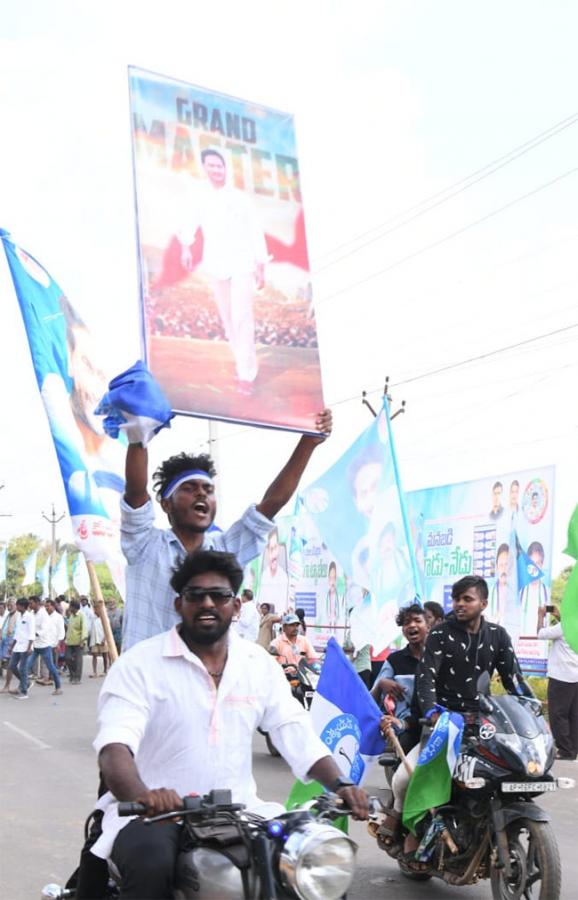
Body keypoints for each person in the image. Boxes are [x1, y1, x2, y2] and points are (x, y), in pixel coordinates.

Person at [88, 550, 368, 898]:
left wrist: (340, 783)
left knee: (312, 872)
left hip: (243, 811)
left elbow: (294, 729)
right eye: (195, 595)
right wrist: (144, 797)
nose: (207, 603)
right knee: (151, 866)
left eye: (218, 595)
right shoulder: (139, 664)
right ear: (179, 604)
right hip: (154, 816)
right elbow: (115, 748)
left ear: (236, 606)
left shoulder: (257, 664)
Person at [120, 410, 331, 651]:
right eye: (189, 488)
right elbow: (136, 493)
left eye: (208, 490)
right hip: (145, 683)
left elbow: (272, 503)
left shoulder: (224, 550)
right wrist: (138, 437)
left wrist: (308, 442)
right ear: (166, 504)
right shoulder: (145, 545)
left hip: (206, 683)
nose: (201, 494)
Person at [398, 576, 530, 866]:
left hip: (484, 723)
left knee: (507, 772)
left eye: (467, 599)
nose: (459, 604)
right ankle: (411, 829)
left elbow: (514, 681)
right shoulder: (440, 634)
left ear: (483, 603)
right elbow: (426, 677)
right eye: (456, 598)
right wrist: (432, 711)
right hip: (443, 722)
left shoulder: (498, 636)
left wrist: (532, 708)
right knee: (405, 779)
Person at [179, 148, 268, 393]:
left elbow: (255, 231)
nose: (216, 170)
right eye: (211, 166)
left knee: (242, 316)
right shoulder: (200, 197)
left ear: (226, 168)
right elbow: (189, 222)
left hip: (242, 263)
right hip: (216, 263)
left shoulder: (240, 199)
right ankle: (242, 361)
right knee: (228, 319)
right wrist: (186, 248)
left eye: (220, 166)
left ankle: (246, 374)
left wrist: (261, 265)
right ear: (205, 167)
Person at [371, 603, 429, 849]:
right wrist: (383, 683)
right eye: (407, 623)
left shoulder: (439, 656)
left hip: (437, 725)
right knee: (408, 777)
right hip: (406, 727)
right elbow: (371, 695)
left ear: (430, 625)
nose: (412, 626)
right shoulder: (395, 660)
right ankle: (400, 817)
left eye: (418, 621)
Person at [537, 604, 578, 760]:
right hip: (575, 676)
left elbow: (540, 634)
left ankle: (565, 751)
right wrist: (560, 618)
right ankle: (573, 749)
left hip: (561, 676)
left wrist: (541, 615)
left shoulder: (564, 627)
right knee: (573, 714)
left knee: (558, 714)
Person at [26, 596, 63, 696]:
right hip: (35, 645)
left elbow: (44, 629)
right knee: (27, 666)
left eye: (31, 603)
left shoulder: (44, 614)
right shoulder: (31, 614)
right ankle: (24, 686)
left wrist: (34, 634)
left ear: (37, 603)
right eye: (29, 603)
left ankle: (58, 687)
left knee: (51, 667)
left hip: (44, 645)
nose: (30, 605)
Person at [6, 598, 35, 699]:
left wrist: (30, 647)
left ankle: (24, 692)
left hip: (26, 647)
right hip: (17, 646)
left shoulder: (30, 617)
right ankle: (26, 682)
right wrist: (12, 646)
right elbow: (17, 633)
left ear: (23, 606)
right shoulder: (19, 616)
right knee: (12, 666)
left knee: (22, 668)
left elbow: (32, 633)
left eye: (18, 605)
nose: (16, 607)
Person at [257, 526, 289, 609]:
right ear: (267, 550)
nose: (273, 555)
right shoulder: (263, 576)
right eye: (271, 549)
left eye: (275, 548)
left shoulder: (284, 577)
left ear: (278, 548)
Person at [519, 541, 548, 635]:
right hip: (522, 645)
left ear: (542, 565)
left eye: (538, 563)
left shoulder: (548, 593)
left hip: (541, 646)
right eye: (532, 563)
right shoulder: (519, 593)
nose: (535, 568)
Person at [65, 600, 88, 684]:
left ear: (74, 607)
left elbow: (84, 629)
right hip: (69, 641)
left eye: (70, 606)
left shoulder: (82, 615)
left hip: (79, 642)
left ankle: (77, 678)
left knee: (78, 661)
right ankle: (72, 674)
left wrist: (82, 641)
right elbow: (69, 629)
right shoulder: (71, 616)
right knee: (67, 658)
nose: (69, 608)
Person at [489, 542, 509, 625]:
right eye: (501, 565)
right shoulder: (489, 593)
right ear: (497, 567)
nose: (503, 569)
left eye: (506, 564)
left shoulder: (519, 592)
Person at [0, 598, 19, 681]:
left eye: (11, 605)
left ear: (15, 605)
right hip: (5, 640)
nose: (9, 607)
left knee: (10, 662)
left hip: (12, 641)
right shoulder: (9, 615)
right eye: (8, 605)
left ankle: (24, 680)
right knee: (7, 661)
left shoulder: (18, 615)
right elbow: (4, 626)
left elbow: (17, 630)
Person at [89, 612, 109, 678]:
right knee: (94, 655)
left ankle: (105, 670)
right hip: (94, 639)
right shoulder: (93, 618)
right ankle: (94, 672)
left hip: (102, 639)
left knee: (104, 655)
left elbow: (107, 630)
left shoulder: (105, 618)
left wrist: (104, 639)